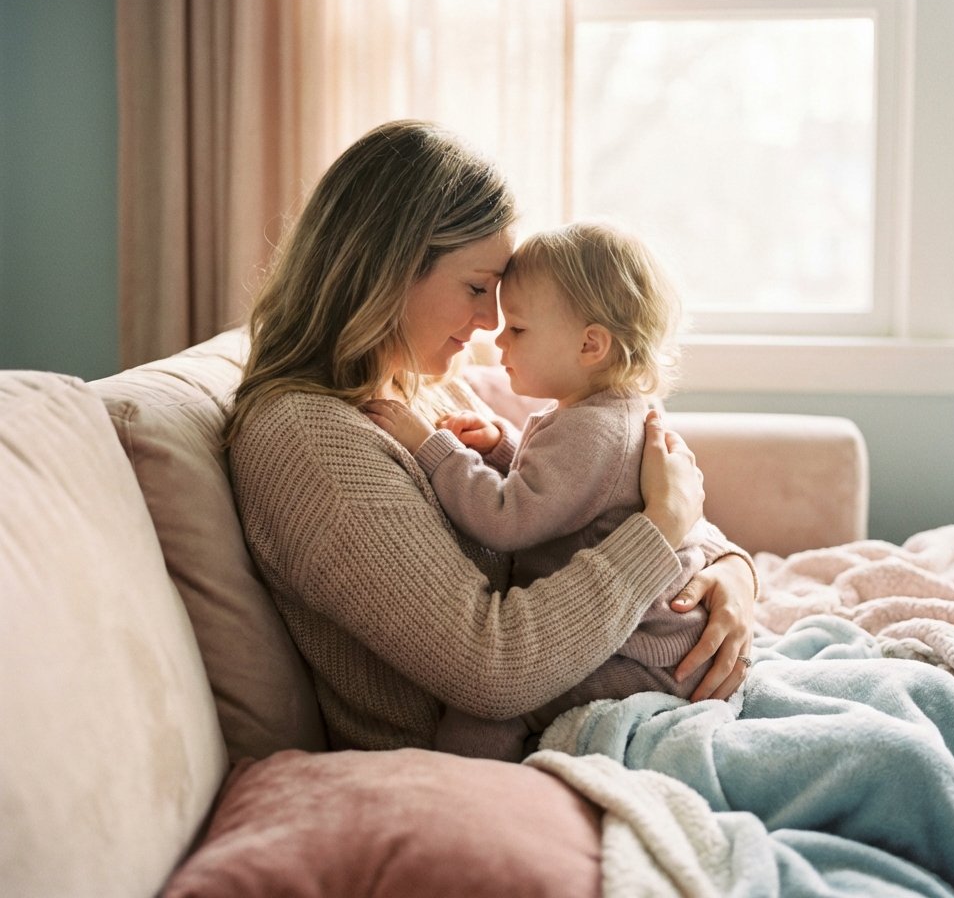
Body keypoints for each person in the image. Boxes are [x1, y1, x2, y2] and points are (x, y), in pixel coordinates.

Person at [225, 118, 757, 761]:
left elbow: (601, 492)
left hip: (600, 693)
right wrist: (665, 524)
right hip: (487, 752)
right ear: (386, 271)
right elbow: (495, 668)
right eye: (478, 288)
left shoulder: (420, 385)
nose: (490, 322)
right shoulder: (307, 442)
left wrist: (731, 573)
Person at [363, 222, 758, 758]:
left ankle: (473, 786)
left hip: (643, 655)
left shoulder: (588, 430)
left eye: (518, 329)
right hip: (661, 635)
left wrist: (434, 449)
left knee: (479, 719)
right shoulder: (610, 411)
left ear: (590, 344)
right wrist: (502, 448)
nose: (496, 339)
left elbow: (506, 520)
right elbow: (572, 498)